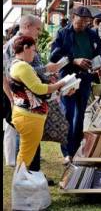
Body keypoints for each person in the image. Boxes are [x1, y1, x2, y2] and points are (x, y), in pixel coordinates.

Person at [3, 15, 61, 180]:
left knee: (30, 140)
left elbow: (31, 71)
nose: (40, 33)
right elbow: (12, 74)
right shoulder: (16, 46)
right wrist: (12, 99)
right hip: (23, 101)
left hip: (30, 101)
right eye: (38, 29)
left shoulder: (25, 43)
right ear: (27, 26)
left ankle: (32, 174)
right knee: (26, 141)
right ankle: (26, 175)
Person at [50, 6, 101, 165]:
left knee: (80, 115)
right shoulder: (63, 33)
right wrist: (74, 60)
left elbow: (98, 53)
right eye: (80, 22)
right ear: (73, 17)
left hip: (85, 78)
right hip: (68, 78)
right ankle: (67, 152)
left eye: (86, 22)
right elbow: (54, 55)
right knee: (68, 114)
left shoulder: (92, 34)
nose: (82, 25)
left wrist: (98, 67)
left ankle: (74, 151)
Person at [9, 36, 67, 170]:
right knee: (26, 155)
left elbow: (36, 91)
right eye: (34, 50)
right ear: (25, 48)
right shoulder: (23, 66)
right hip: (29, 117)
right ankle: (20, 184)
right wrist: (60, 84)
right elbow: (39, 89)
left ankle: (21, 181)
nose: (35, 54)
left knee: (26, 153)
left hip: (26, 115)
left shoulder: (17, 65)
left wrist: (56, 89)